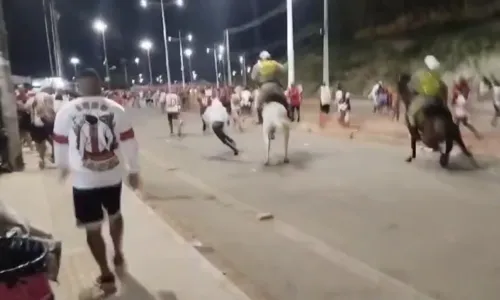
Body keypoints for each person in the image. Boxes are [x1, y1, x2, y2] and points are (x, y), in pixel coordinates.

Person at [53, 69, 140, 297]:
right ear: (100, 84)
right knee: (115, 214)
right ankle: (118, 252)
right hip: (112, 175)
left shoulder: (66, 111)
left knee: (92, 228)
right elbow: (130, 142)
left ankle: (106, 273)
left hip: (84, 180)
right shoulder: (116, 108)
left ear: (78, 87)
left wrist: (61, 167)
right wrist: (134, 170)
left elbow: (60, 145)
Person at [407, 55, 447, 127]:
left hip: (424, 99)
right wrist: (445, 103)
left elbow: (411, 87)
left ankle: (415, 133)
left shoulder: (419, 74)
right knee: (447, 114)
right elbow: (444, 88)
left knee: (411, 114)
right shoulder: (437, 74)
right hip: (437, 99)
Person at [250, 50, 291, 119]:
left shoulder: (257, 66)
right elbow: (283, 70)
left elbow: (253, 77)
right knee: (285, 101)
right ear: (269, 57)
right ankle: (289, 115)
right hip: (276, 86)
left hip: (264, 87)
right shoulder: (274, 63)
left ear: (261, 58)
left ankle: (260, 119)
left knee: (258, 105)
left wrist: (258, 81)